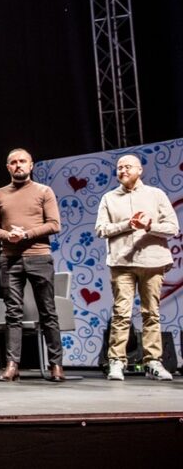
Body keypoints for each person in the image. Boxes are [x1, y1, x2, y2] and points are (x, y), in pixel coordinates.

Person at [95, 154, 179, 382]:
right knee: (121, 313)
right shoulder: (109, 198)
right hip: (121, 263)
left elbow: (172, 227)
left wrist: (149, 225)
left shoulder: (156, 194)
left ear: (140, 170)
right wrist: (127, 225)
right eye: (119, 167)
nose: (123, 170)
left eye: (127, 167)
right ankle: (116, 361)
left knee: (151, 313)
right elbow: (101, 229)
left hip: (152, 262)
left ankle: (153, 362)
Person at [0, 148, 64, 382]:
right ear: (8, 167)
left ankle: (56, 365)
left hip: (39, 257)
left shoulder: (44, 191)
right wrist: (8, 236)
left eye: (22, 161)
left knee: (48, 311)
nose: (18, 165)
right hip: (10, 259)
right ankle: (12, 364)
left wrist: (26, 234)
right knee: (13, 313)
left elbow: (54, 224)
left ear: (31, 165)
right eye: (13, 162)